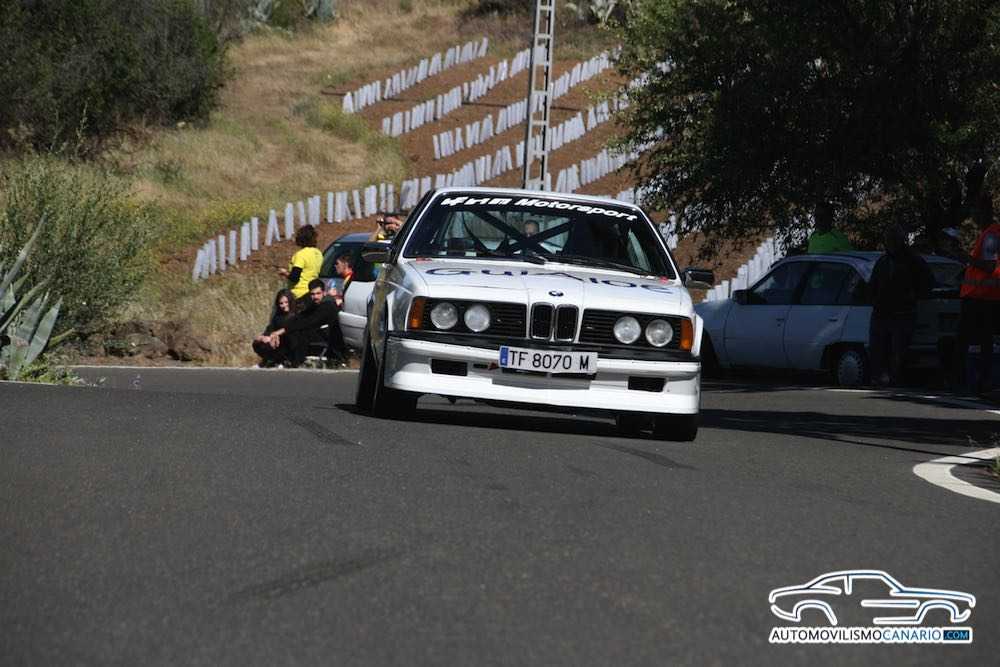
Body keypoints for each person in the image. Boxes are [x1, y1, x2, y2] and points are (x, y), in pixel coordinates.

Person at [868, 226, 934, 386]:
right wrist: (874, 300)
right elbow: (873, 285)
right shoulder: (883, 261)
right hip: (882, 312)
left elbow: (928, 282)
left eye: (893, 240)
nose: (890, 243)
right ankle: (879, 376)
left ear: (900, 241)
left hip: (902, 312)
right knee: (878, 347)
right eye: (888, 240)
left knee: (898, 350)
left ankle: (895, 379)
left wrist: (913, 296)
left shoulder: (913, 261)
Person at [954, 196, 1000, 394]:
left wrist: (967, 258)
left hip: (979, 297)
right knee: (984, 342)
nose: (973, 217)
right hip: (984, 297)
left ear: (984, 211)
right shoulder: (989, 234)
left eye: (975, 212)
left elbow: (989, 266)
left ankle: (966, 381)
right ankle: (982, 381)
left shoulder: (990, 235)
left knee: (967, 341)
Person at [269, 279, 347, 367]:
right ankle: (281, 360)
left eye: (318, 293)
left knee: (298, 331)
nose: (315, 297)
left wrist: (282, 331)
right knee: (293, 327)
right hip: (319, 333)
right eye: (313, 294)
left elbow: (310, 322)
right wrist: (276, 332)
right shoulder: (315, 304)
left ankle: (295, 362)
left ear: (324, 293)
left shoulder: (328, 305)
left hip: (328, 339)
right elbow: (301, 316)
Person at [278, 226, 323, 304]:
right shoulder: (318, 254)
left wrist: (285, 273)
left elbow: (294, 277)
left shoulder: (301, 255)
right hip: (313, 292)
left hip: (299, 294)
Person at [252, 289, 297, 367]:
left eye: (286, 302)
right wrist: (263, 337)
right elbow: (270, 328)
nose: (284, 305)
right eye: (281, 303)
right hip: (275, 341)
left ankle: (283, 361)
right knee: (258, 344)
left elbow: (292, 328)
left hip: (289, 342)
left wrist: (275, 335)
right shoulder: (277, 316)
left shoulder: (296, 314)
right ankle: (268, 361)